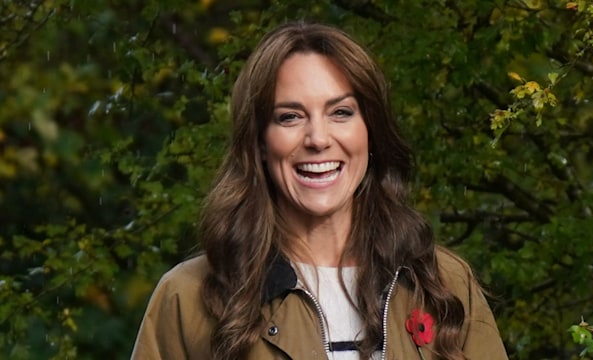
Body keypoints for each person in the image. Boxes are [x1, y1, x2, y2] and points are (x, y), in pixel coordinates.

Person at [131, 22, 508, 360]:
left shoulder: (443, 283)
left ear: (370, 131)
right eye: (290, 117)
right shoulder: (189, 297)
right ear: (260, 142)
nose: (317, 139)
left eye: (340, 112)